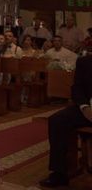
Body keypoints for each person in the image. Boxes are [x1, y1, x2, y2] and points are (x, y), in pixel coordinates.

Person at [40, 54, 92, 188]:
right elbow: (77, 88)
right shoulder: (84, 61)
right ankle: (59, 173)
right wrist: (84, 107)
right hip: (87, 109)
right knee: (57, 120)